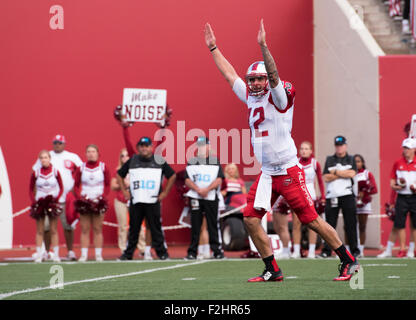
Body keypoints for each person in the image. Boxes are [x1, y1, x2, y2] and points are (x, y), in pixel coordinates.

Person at [205, 20, 359, 281]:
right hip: (267, 172)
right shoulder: (251, 97)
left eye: (259, 79)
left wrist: (264, 46)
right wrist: (213, 49)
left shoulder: (278, 97)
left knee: (310, 220)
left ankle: (349, 261)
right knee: (251, 219)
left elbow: (275, 77)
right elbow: (230, 74)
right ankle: (272, 269)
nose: (253, 84)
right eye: (251, 79)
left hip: (287, 168)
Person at [117, 136, 176, 260]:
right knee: (134, 229)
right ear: (138, 147)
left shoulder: (159, 160)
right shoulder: (133, 159)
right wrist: (124, 191)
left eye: (146, 146)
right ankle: (128, 254)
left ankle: (162, 253)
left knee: (155, 228)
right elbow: (119, 174)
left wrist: (164, 193)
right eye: (142, 146)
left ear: (151, 147)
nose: (144, 148)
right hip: (137, 200)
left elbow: (172, 175)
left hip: (152, 200)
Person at [32, 134, 82, 261]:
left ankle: (70, 251)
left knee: (68, 226)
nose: (57, 145)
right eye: (55, 143)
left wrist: (75, 189)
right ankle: (47, 251)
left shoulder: (72, 156)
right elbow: (35, 175)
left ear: (64, 144)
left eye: (60, 143)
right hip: (48, 200)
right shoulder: (46, 155)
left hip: (66, 198)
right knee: (47, 227)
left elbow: (82, 172)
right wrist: (36, 198)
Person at [184, 136, 225, 260]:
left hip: (211, 196)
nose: (201, 148)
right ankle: (192, 252)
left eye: (204, 145)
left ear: (208, 146)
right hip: (196, 197)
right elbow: (187, 179)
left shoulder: (215, 161)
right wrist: (198, 190)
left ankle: (217, 251)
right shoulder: (191, 161)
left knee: (212, 224)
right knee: (195, 225)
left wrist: (206, 190)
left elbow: (219, 179)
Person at [319, 136, 360, 258]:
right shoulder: (330, 159)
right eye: (337, 145)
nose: (339, 148)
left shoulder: (351, 159)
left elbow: (352, 173)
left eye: (341, 145)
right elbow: (326, 177)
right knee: (329, 224)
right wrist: (343, 174)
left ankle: (354, 250)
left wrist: (335, 172)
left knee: (351, 223)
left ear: (346, 146)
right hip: (332, 195)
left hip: (347, 195)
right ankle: (327, 250)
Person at [378, 138, 416, 258]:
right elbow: (392, 182)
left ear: (414, 149)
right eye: (404, 148)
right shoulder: (398, 163)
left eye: (408, 148)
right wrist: (397, 186)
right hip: (402, 197)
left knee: (414, 225)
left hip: (414, 197)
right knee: (399, 224)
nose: (405, 151)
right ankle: (403, 248)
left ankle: (412, 249)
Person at [74, 144, 110, 262]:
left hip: (98, 201)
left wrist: (102, 198)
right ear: (85, 154)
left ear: (98, 153)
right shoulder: (81, 168)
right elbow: (75, 185)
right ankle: (84, 255)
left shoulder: (103, 167)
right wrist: (81, 198)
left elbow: (108, 184)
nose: (91, 154)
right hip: (85, 202)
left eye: (93, 151)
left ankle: (98, 254)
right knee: (84, 229)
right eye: (88, 151)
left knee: (97, 228)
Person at [291, 141, 326, 258]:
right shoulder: (295, 162)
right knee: (296, 224)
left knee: (312, 223)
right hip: (297, 195)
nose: (304, 151)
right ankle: (296, 251)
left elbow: (320, 181)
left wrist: (323, 197)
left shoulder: (315, 163)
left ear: (311, 151)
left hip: (311, 195)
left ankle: (311, 251)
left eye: (306, 149)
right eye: (302, 148)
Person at [29, 150, 63, 263]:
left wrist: (56, 200)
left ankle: (57, 255)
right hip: (40, 203)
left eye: (46, 157)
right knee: (40, 230)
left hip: (52, 203)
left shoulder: (55, 171)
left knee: (53, 229)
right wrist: (34, 201)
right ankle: (39, 255)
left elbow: (61, 187)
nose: (44, 160)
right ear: (40, 160)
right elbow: (30, 189)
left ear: (49, 159)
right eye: (42, 158)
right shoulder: (36, 173)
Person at [353, 154, 378, 257]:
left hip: (364, 203)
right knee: (350, 226)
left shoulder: (367, 174)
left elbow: (374, 189)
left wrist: (364, 193)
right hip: (352, 202)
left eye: (358, 161)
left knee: (362, 226)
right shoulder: (350, 173)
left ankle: (361, 249)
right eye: (354, 161)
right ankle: (350, 249)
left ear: (362, 162)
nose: (356, 163)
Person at [111, 148, 131, 254]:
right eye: (122, 156)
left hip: (133, 200)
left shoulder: (135, 169)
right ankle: (123, 248)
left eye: (127, 155)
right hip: (120, 200)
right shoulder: (118, 170)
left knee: (139, 226)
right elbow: (113, 186)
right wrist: (123, 184)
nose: (124, 158)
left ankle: (141, 248)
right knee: (123, 225)